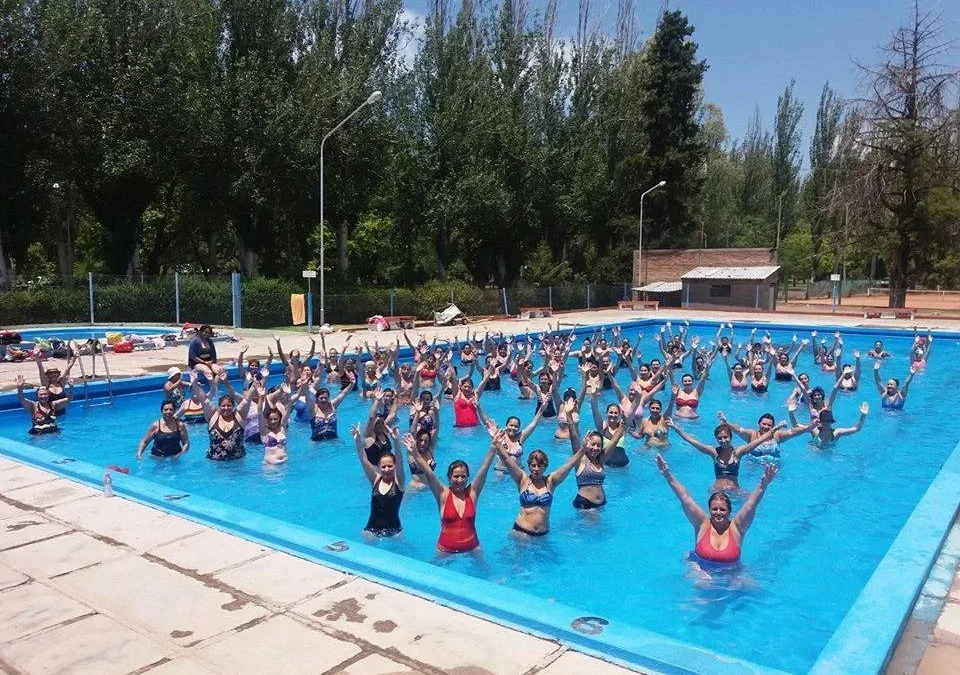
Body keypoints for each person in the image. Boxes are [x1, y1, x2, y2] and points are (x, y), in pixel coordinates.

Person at [656, 454, 779, 565]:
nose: (718, 512)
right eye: (714, 509)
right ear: (709, 510)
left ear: (729, 511)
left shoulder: (737, 527)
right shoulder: (702, 524)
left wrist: (764, 484)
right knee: (701, 582)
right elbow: (685, 498)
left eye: (722, 509)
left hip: (731, 574)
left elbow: (751, 504)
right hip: (701, 572)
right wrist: (668, 475)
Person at [409, 434, 497, 553]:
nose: (460, 480)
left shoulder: (472, 493)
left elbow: (484, 468)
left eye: (463, 476)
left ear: (467, 478)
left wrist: (493, 446)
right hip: (445, 550)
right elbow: (428, 472)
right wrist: (415, 453)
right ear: (449, 478)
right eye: (456, 476)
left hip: (473, 548)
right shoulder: (443, 494)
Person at [494, 433, 586, 536]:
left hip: (542, 535)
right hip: (521, 533)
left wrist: (584, 448)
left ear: (545, 467)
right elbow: (507, 460)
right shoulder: (522, 479)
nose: (536, 469)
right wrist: (498, 444)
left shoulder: (551, 481)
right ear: (529, 466)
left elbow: (569, 464)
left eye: (540, 465)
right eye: (533, 465)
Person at [667, 418, 782, 491]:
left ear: (731, 437)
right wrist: (677, 429)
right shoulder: (713, 452)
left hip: (735, 491)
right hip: (717, 491)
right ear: (716, 439)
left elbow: (758, 441)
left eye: (725, 437)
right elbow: (692, 441)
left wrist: (773, 430)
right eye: (720, 438)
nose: (723, 440)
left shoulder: (738, 452)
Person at [353, 423, 406, 537]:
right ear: (379, 467)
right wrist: (357, 440)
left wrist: (396, 441)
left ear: (394, 466)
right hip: (371, 530)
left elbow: (400, 462)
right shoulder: (375, 480)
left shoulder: (399, 482)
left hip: (394, 531)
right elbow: (364, 460)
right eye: (383, 466)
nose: (387, 469)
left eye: (390, 466)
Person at [191, 371, 254, 461]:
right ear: (219, 406)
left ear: (233, 406)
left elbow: (247, 400)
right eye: (223, 406)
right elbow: (203, 400)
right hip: (215, 464)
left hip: (237, 464)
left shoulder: (239, 416)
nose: (226, 408)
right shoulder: (213, 417)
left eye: (229, 405)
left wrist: (256, 384)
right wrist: (194, 383)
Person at [717, 405, 811, 460]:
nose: (766, 427)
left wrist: (809, 428)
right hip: (754, 469)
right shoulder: (752, 435)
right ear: (759, 423)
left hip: (773, 468)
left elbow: (792, 432)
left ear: (773, 427)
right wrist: (727, 423)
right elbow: (739, 430)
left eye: (769, 425)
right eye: (764, 424)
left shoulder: (777, 435)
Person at [790, 403, 868, 447]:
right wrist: (791, 412)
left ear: (831, 422)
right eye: (825, 421)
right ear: (820, 422)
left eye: (829, 421)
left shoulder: (837, 433)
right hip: (815, 455)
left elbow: (857, 428)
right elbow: (796, 426)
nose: (827, 423)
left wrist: (863, 414)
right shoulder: (815, 430)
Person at [34, 348, 77, 415]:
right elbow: (41, 370)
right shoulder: (46, 384)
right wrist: (37, 357)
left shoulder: (61, 383)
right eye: (50, 373)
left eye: (55, 373)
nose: (53, 375)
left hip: (62, 412)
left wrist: (74, 358)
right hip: (49, 413)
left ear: (58, 374)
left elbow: (68, 368)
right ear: (47, 375)